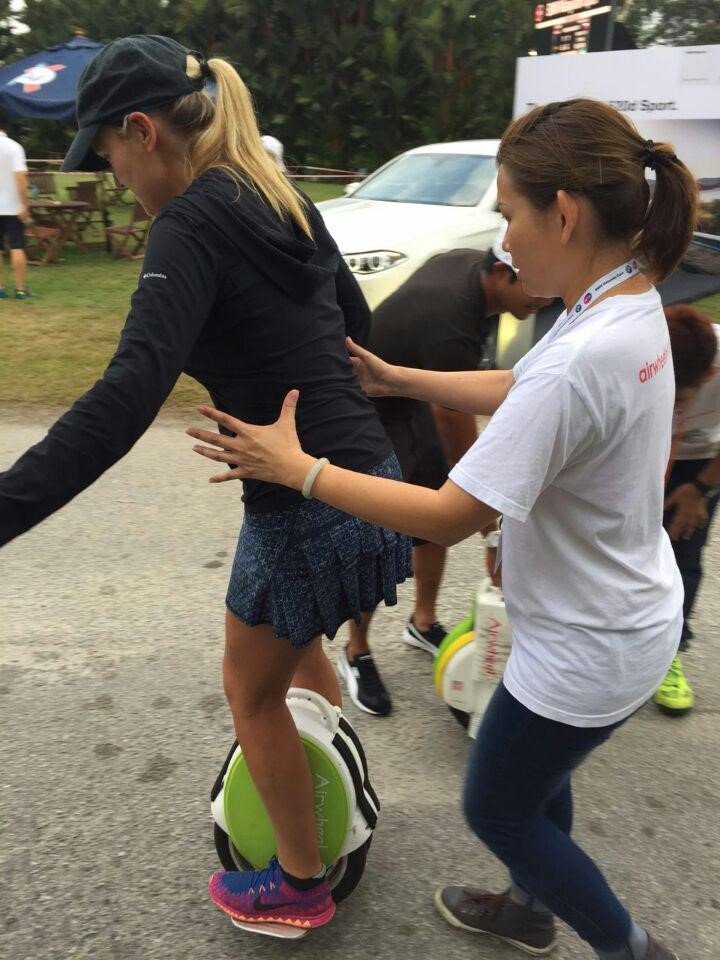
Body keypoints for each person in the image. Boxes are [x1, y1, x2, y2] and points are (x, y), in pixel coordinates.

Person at [187, 98, 696, 960]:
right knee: (532, 779)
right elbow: (520, 386)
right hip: (614, 614)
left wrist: (296, 468)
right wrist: (398, 378)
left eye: (510, 212)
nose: (504, 239)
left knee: (496, 806)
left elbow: (452, 515)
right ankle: (529, 906)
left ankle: (630, 948)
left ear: (565, 213)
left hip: (590, 641)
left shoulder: (583, 351)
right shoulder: (621, 299)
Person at [0, 35, 412, 934]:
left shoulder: (187, 224)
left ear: (142, 131)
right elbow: (354, 321)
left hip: (304, 507)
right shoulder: (278, 193)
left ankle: (300, 883)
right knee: (297, 653)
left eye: (107, 154)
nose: (113, 179)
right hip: (370, 482)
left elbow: (126, 395)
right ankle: (333, 783)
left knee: (250, 691)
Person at [339, 230, 548, 716]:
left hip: (410, 392)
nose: (544, 298)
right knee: (383, 530)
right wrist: (489, 527)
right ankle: (356, 650)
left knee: (434, 514)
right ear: (502, 273)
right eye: (535, 287)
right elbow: (462, 439)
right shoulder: (453, 317)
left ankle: (422, 621)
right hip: (369, 404)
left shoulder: (474, 270)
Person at [653, 305, 720, 716]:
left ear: (709, 375)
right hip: (643, 447)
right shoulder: (641, 346)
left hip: (701, 461)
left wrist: (700, 489)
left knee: (682, 553)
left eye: (679, 397)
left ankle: (668, 656)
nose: (672, 404)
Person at [0, 109, 31, 299]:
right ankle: (20, 289)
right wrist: (25, 205)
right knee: (17, 246)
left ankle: (0, 288)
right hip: (13, 207)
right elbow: (20, 178)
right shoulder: (14, 147)